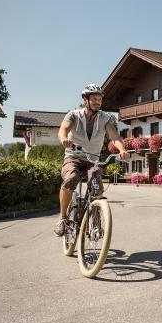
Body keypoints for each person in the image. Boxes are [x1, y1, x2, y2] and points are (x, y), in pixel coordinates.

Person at [54, 83, 130, 236]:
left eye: (99, 99)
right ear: (85, 100)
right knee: (71, 178)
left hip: (93, 159)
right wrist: (63, 140)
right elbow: (63, 129)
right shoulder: (73, 115)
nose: (97, 102)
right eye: (94, 98)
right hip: (73, 156)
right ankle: (62, 219)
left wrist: (122, 149)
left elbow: (114, 136)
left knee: (96, 185)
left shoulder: (106, 118)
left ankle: (95, 223)